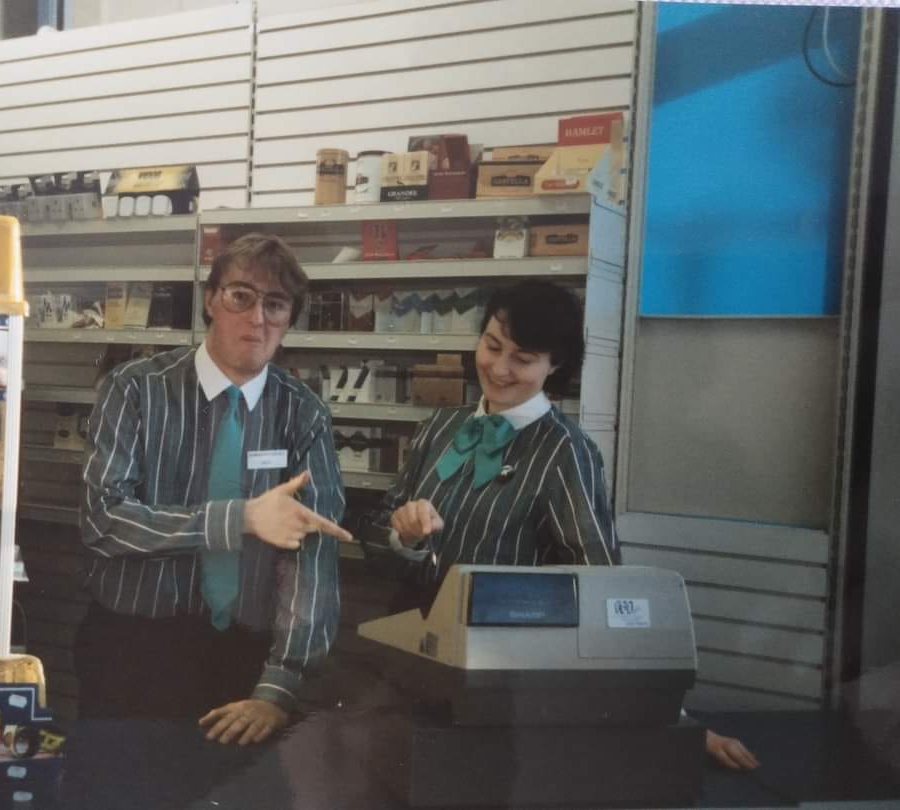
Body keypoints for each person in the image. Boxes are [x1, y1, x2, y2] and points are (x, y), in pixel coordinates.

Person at [363, 279, 759, 771]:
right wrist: (404, 537)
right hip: (412, 665)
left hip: (501, 690)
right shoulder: (440, 428)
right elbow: (376, 536)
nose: (500, 368)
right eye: (492, 345)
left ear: (556, 366)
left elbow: (601, 588)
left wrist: (667, 712)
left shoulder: (566, 453)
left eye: (523, 358)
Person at [76, 233, 351, 746]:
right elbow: (103, 520)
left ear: (290, 317)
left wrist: (278, 687)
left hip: (244, 663)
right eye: (240, 296)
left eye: (276, 304)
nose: (258, 318)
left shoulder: (303, 413)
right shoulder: (134, 390)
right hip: (132, 652)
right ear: (210, 299)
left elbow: (313, 559)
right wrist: (242, 518)